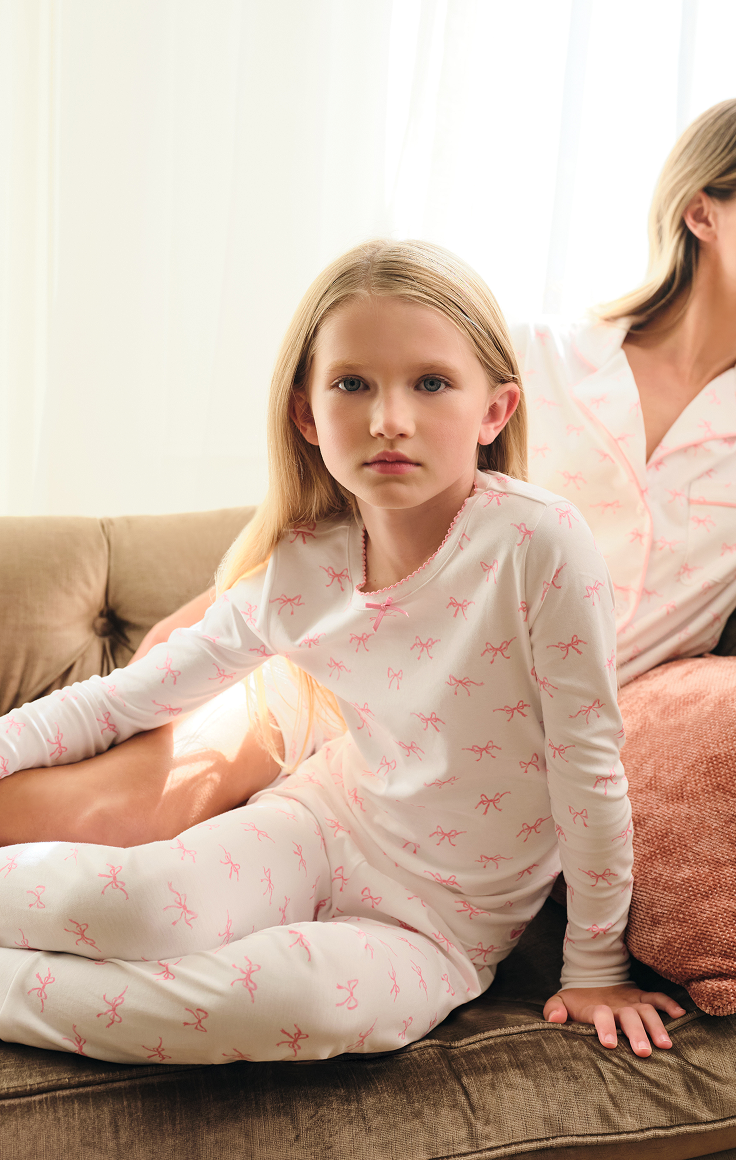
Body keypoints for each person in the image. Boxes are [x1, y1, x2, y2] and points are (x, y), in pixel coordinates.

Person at [4, 96, 736, 837]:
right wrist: (221, 604)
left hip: (493, 752)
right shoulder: (535, 357)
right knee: (121, 803)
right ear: (703, 214)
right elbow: (358, 462)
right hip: (351, 668)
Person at [0, 240, 684, 1064]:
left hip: (441, 923)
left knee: (290, 1003)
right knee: (138, 907)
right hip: (317, 830)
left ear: (496, 410)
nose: (388, 418)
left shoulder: (539, 543)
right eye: (352, 384)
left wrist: (596, 964)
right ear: (306, 414)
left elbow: (588, 764)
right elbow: (124, 700)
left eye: (430, 384)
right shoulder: (304, 560)